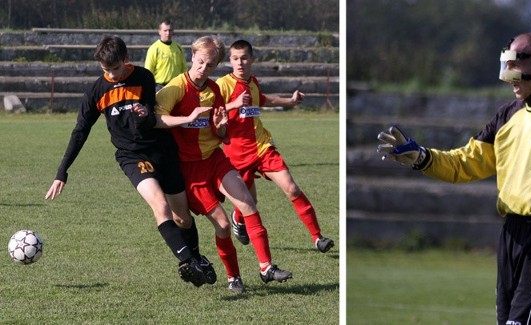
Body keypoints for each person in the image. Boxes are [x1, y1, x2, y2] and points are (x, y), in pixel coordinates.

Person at [377, 32, 531, 324]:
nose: (509, 76)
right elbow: (467, 163)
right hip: (511, 235)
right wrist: (424, 158)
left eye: (517, 66)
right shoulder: (507, 115)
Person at [44, 36, 216, 288]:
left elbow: (151, 116)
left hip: (161, 150)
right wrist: (62, 171)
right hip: (132, 156)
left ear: (126, 60)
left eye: (115, 69)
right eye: (106, 70)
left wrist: (144, 113)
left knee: (183, 218)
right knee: (160, 206)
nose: (111, 75)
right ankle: (187, 262)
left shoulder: (143, 77)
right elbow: (80, 131)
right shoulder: (96, 91)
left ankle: (197, 257)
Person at [154, 36, 293, 292]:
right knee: (224, 225)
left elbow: (221, 132)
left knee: (247, 204)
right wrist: (186, 117)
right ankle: (234, 278)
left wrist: (220, 127)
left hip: (215, 159)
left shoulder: (214, 89)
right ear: (192, 57)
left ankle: (266, 267)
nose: (203, 69)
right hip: (190, 168)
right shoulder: (175, 88)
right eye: (199, 62)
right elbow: (155, 119)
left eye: (209, 66)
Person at [214, 39, 335, 253]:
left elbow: (263, 100)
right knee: (250, 203)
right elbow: (211, 110)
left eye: (244, 58)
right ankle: (237, 217)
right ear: (230, 61)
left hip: (262, 147)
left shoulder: (253, 82)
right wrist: (233, 104)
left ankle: (318, 238)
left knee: (292, 188)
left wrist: (290, 101)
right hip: (236, 155)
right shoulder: (223, 84)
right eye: (235, 59)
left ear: (252, 59)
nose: (239, 63)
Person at [144, 19, 188, 92]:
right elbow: (148, 71)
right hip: (160, 86)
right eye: (165, 30)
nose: (168, 33)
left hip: (177, 86)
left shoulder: (178, 47)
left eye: (170, 30)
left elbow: (184, 68)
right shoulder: (154, 48)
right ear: (159, 32)